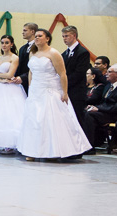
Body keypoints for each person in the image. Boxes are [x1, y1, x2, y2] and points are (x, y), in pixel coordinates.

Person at [16, 29, 91, 160]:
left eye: (40, 36)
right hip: (35, 90)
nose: (37, 38)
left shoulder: (54, 53)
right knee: (33, 120)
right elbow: (31, 72)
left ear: (47, 39)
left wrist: (65, 92)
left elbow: (62, 74)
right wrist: (31, 87)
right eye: (36, 36)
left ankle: (51, 151)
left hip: (49, 89)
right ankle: (32, 151)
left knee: (48, 119)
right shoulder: (32, 53)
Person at [82, 64, 117, 152]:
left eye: (109, 72)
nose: (106, 74)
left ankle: (89, 147)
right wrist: (94, 107)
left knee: (90, 115)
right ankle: (87, 143)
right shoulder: (108, 86)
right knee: (84, 112)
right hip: (105, 113)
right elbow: (103, 102)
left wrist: (98, 109)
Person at [61, 25, 91, 132]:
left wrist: (63, 82)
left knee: (78, 119)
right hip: (66, 91)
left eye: (67, 36)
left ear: (74, 36)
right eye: (63, 36)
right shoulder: (64, 53)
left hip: (76, 92)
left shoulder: (83, 52)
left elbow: (79, 73)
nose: (64, 38)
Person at [11, 22, 38, 93]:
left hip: (33, 81)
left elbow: (36, 66)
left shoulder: (38, 47)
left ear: (32, 32)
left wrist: (23, 77)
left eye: (25, 30)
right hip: (21, 82)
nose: (22, 33)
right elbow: (20, 65)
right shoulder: (22, 48)